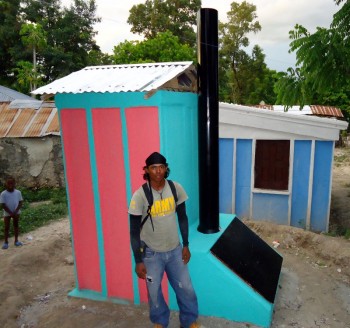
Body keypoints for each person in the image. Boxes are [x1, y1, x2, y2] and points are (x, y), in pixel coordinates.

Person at [128, 152, 200, 328]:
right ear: (146, 170)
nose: (158, 171)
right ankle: (160, 321)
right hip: (151, 254)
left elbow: (182, 218)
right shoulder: (139, 196)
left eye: (161, 167)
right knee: (153, 292)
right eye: (153, 168)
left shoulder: (176, 188)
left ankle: (189, 321)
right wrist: (138, 260)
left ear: (166, 168)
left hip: (175, 251)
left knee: (187, 289)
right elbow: (133, 231)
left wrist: (186, 245)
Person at [1, 177, 23, 250]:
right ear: (6, 184)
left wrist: (15, 211)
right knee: (6, 227)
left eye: (12, 183)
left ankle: (16, 241)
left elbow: (20, 203)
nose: (10, 185)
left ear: (14, 184)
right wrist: (11, 213)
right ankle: (6, 242)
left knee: (16, 226)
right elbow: (3, 205)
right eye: (9, 183)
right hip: (7, 213)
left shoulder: (18, 192)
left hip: (16, 212)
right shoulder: (3, 194)